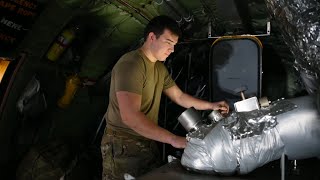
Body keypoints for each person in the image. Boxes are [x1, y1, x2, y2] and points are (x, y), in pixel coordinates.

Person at [101, 15, 229, 180]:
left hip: (147, 139)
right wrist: (173, 139)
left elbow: (179, 96)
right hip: (123, 146)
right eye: (168, 43)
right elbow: (130, 117)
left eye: (174, 45)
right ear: (152, 37)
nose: (172, 50)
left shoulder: (159, 68)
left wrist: (212, 106)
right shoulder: (131, 64)